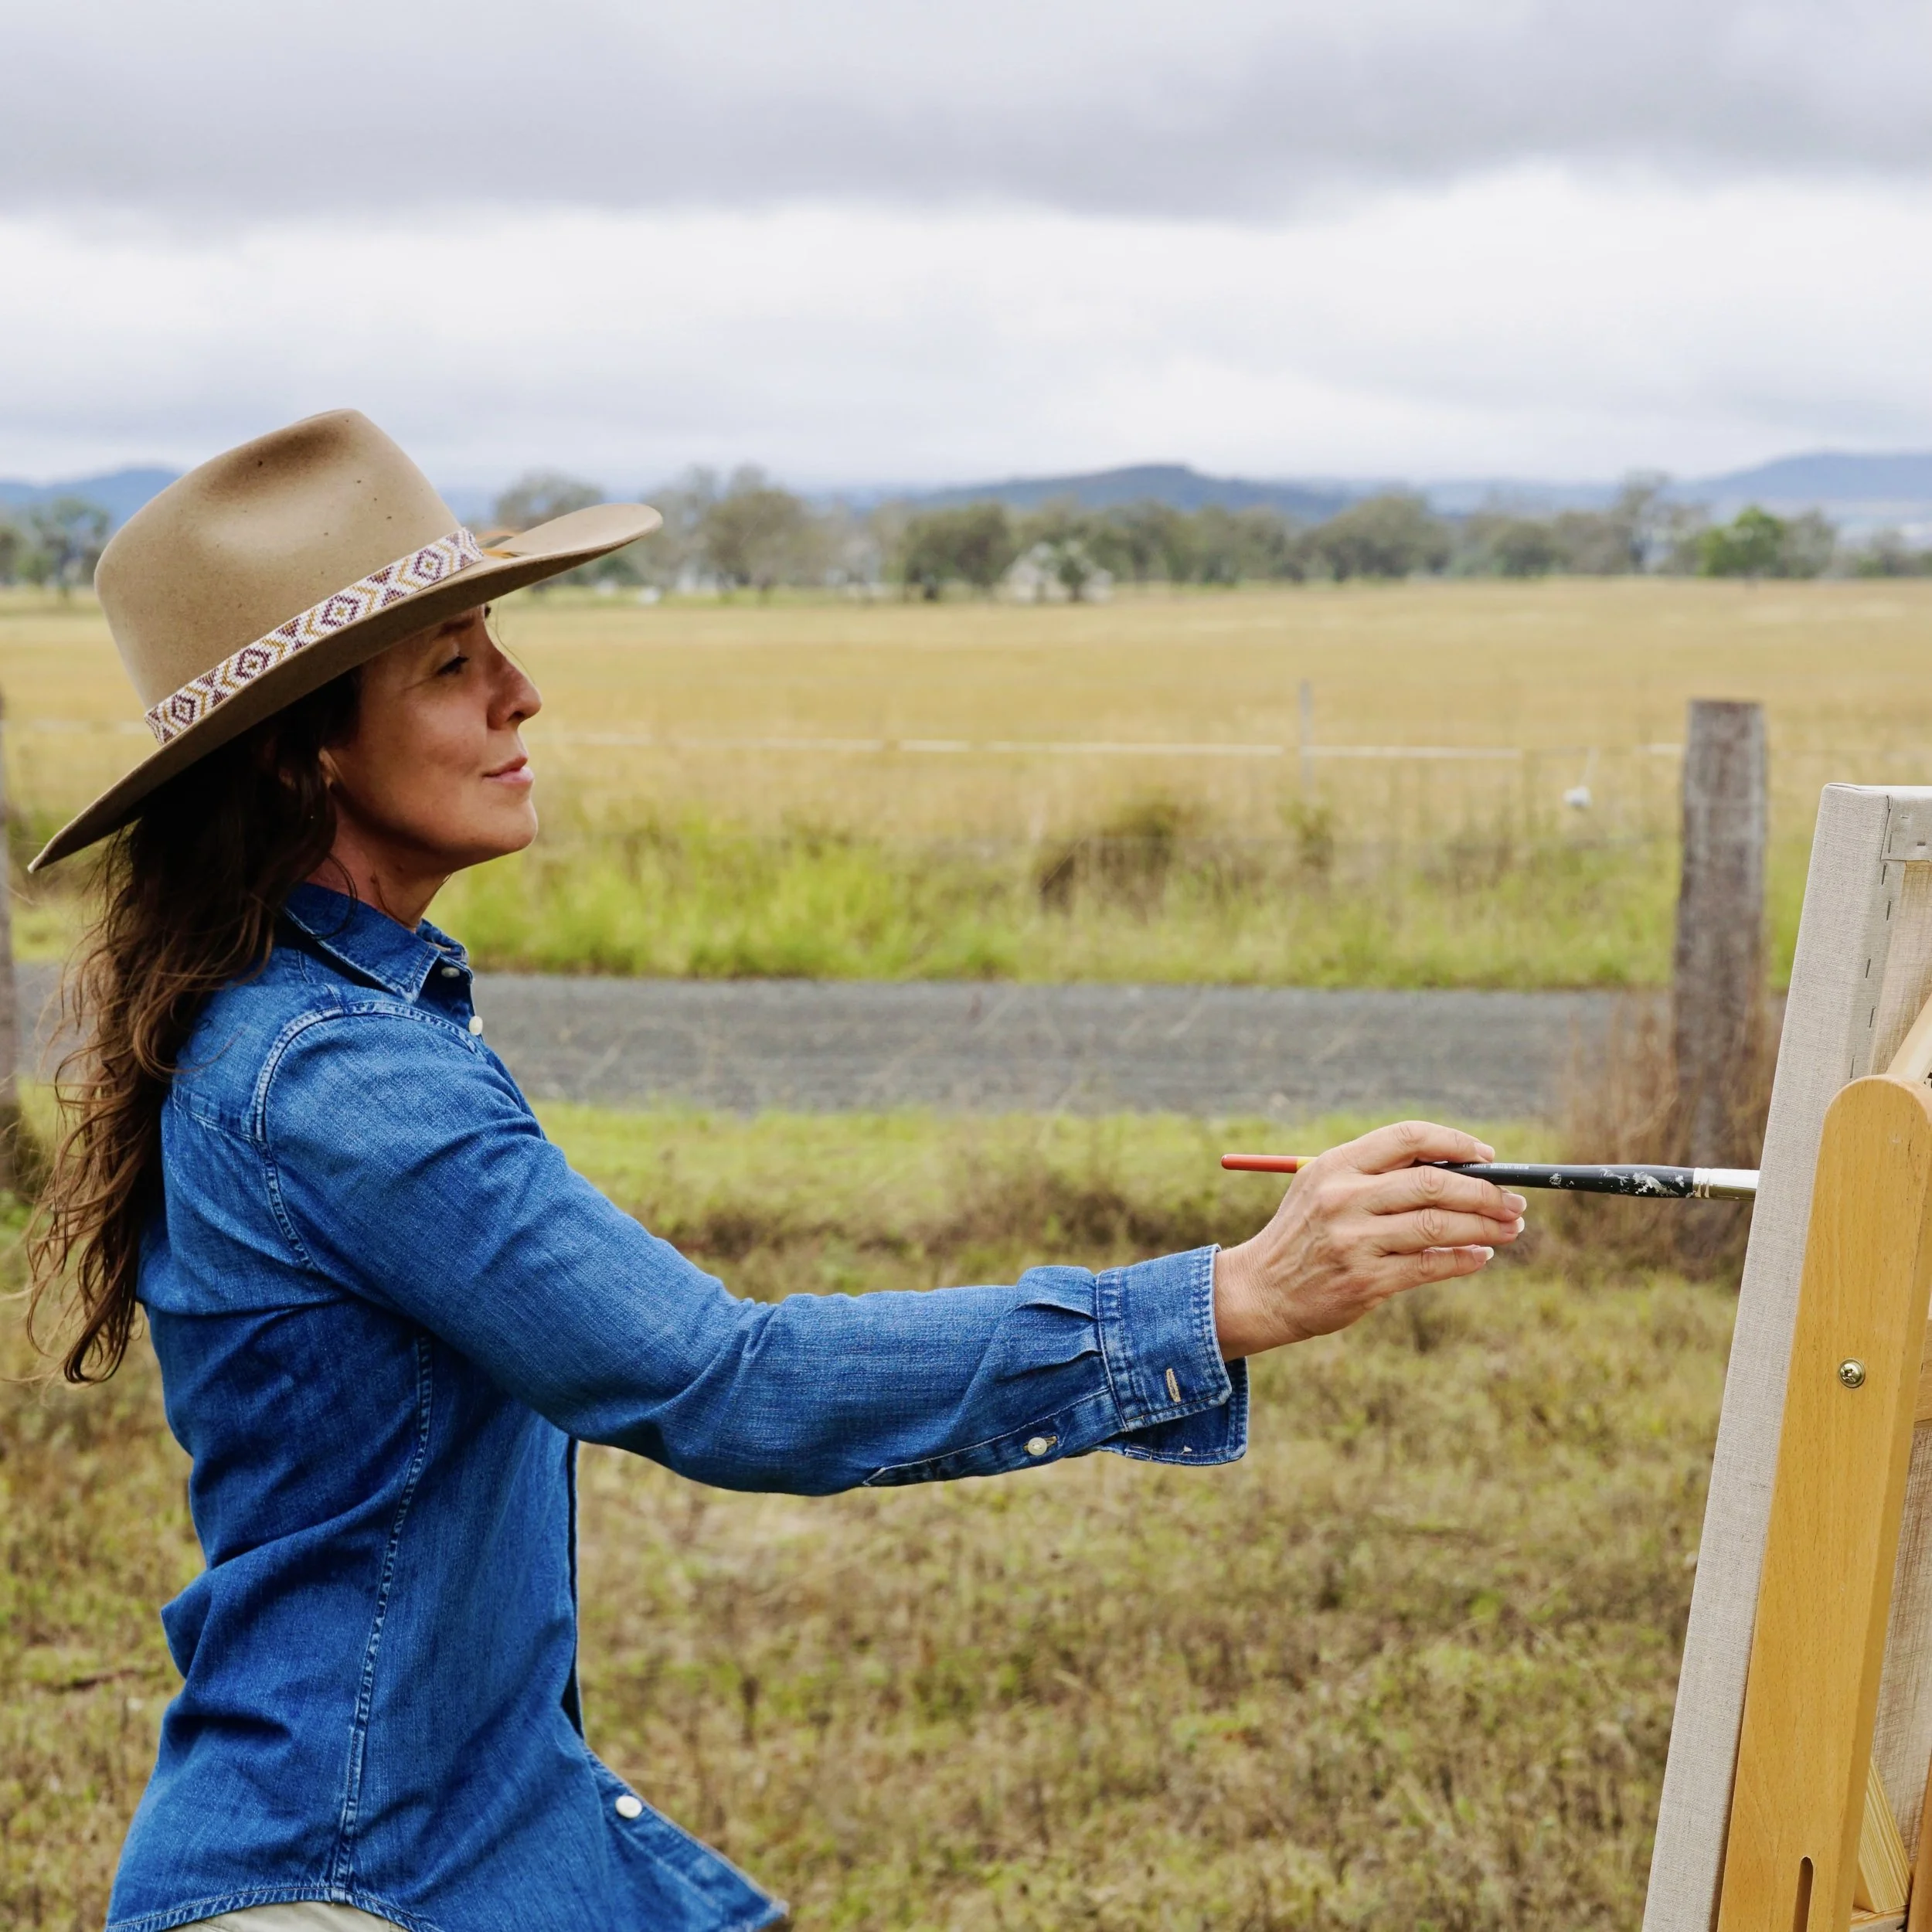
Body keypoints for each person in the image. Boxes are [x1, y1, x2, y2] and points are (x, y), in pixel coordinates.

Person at [26, 411, 1527, 1932]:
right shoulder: (338, 1075)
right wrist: (1226, 1298)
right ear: (302, 750)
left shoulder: (311, 1028)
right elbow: (721, 1380)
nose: (520, 691)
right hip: (348, 1882)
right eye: (449, 663)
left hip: (455, 1844)